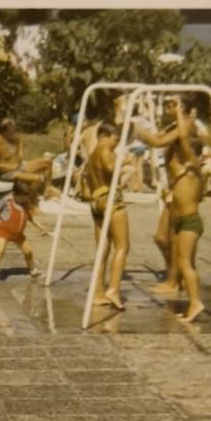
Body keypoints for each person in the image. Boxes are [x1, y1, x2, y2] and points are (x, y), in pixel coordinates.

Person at [163, 100, 207, 323]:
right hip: (183, 221)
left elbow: (182, 138)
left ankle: (196, 302)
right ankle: (193, 301)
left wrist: (180, 112)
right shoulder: (189, 173)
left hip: (190, 221)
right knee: (182, 262)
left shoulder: (196, 170)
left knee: (184, 264)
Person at [82, 122, 130, 309]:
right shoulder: (104, 150)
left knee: (102, 250)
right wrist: (125, 161)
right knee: (123, 247)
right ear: (104, 136)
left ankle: (98, 293)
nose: (116, 144)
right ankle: (113, 289)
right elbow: (111, 168)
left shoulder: (93, 154)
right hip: (111, 199)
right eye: (115, 140)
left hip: (96, 201)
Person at [0, 181, 46, 282]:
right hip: (4, 230)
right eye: (21, 198)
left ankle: (33, 270)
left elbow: (30, 217)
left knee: (28, 251)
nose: (24, 200)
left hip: (18, 233)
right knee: (0, 250)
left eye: (26, 198)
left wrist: (40, 226)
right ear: (14, 194)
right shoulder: (7, 200)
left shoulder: (25, 203)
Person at [0, 117, 55, 194]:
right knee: (37, 178)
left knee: (47, 162)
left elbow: (20, 153)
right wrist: (8, 167)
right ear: (5, 132)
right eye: (12, 131)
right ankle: (31, 201)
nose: (15, 132)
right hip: (7, 174)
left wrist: (20, 147)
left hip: (20, 166)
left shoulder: (14, 139)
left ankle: (48, 189)